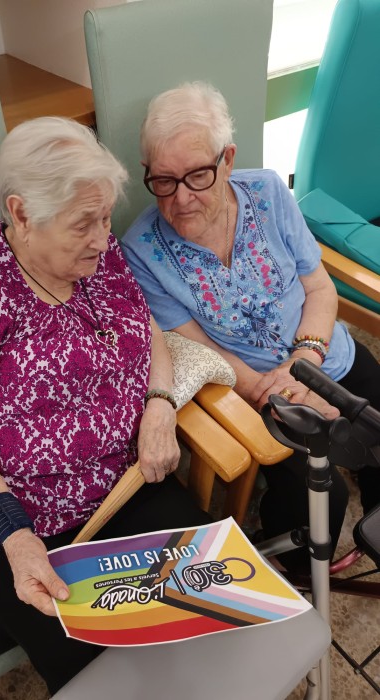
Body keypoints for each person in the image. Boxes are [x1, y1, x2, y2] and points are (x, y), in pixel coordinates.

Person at [0, 117, 212, 694]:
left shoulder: (102, 254)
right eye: (84, 223)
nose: (103, 238)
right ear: (21, 214)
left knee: (210, 616)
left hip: (123, 482)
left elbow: (146, 330)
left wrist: (158, 405)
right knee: (105, 681)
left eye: (106, 218)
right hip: (12, 514)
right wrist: (15, 533)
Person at [121, 81, 380, 573]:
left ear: (227, 160)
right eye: (164, 181)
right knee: (321, 496)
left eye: (198, 176)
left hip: (325, 351)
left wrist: (305, 364)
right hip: (256, 391)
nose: (181, 198)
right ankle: (296, 566)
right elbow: (199, 348)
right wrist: (278, 392)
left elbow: (320, 289)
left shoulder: (268, 191)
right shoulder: (142, 250)